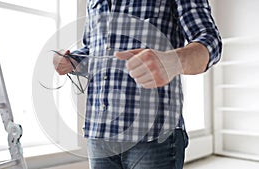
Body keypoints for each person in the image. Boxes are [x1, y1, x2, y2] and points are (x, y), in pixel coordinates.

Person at [53, 0, 222, 169]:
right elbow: (95, 51)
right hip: (99, 133)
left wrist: (173, 61)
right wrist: (71, 61)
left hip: (153, 134)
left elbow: (210, 41)